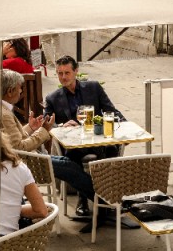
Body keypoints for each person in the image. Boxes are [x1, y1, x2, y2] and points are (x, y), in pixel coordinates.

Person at [43, 55, 124, 216]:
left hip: (98, 139)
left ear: (76, 71)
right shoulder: (52, 98)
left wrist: (126, 129)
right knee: (73, 155)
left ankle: (108, 195)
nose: (63, 77)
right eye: (60, 73)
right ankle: (83, 198)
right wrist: (61, 126)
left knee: (110, 149)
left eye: (67, 73)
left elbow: (112, 111)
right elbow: (47, 124)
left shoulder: (93, 88)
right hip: (74, 145)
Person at [0, 69, 54, 153]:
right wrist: (43, 130)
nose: (21, 91)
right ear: (10, 91)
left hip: (11, 157)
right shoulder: (3, 115)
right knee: (67, 161)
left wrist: (30, 127)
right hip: (22, 159)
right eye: (19, 88)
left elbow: (12, 138)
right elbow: (19, 148)